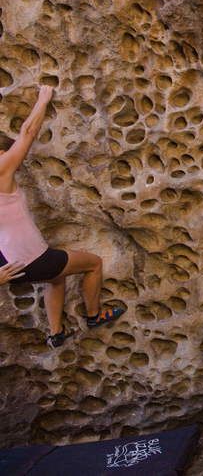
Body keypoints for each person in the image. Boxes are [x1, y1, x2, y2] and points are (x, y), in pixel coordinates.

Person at [0, 85, 125, 348]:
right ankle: (94, 315)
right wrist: (43, 98)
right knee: (93, 263)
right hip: (31, 260)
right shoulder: (1, 171)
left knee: (56, 277)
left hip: (12, 263)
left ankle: (56, 333)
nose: (3, 151)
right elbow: (28, 133)